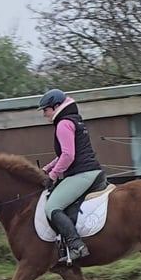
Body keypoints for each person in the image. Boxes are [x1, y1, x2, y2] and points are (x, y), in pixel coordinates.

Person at [38, 88, 104, 263]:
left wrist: (52, 176)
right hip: (91, 171)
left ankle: (77, 245)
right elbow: (64, 155)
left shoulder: (63, 124)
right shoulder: (74, 120)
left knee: (52, 207)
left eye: (45, 109)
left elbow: (68, 156)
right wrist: (46, 169)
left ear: (56, 106)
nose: (44, 114)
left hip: (82, 174)